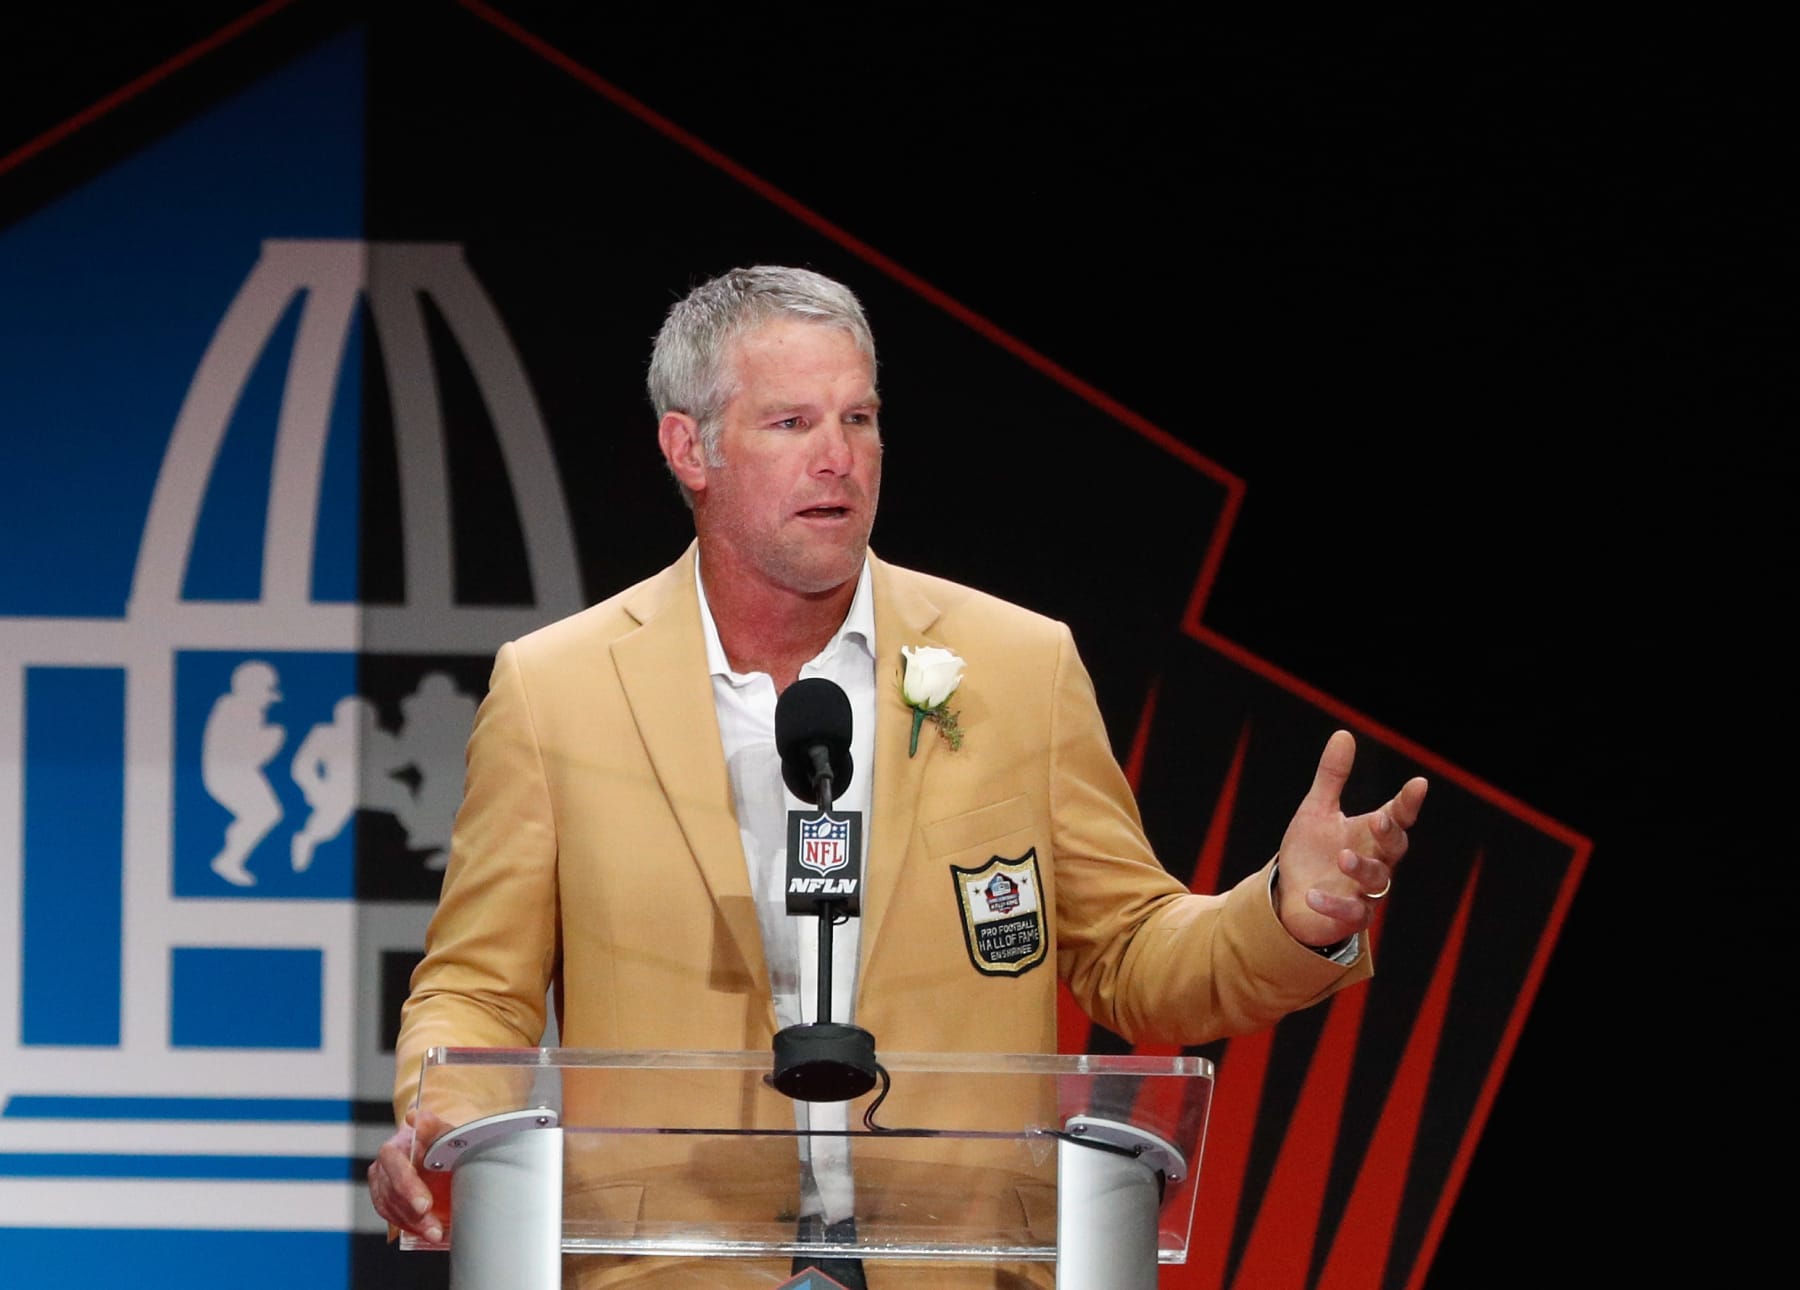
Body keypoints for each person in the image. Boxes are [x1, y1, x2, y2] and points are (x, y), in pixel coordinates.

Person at [368, 265, 1427, 1287]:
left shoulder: (1019, 667)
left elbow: (1134, 957)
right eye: (793, 424)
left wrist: (1294, 913)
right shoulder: (558, 691)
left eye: (860, 420)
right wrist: (441, 1114)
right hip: (674, 1266)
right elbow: (477, 988)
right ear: (689, 449)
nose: (840, 458)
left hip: (961, 1262)